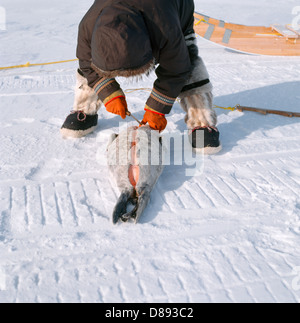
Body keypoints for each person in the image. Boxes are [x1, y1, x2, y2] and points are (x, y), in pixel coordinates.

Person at [61, 0, 221, 154]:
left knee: (188, 61)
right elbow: (86, 62)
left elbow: (177, 68)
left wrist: (157, 109)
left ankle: (202, 122)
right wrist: (107, 91)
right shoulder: (88, 26)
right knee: (90, 67)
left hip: (173, 10)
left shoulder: (166, 27)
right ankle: (84, 110)